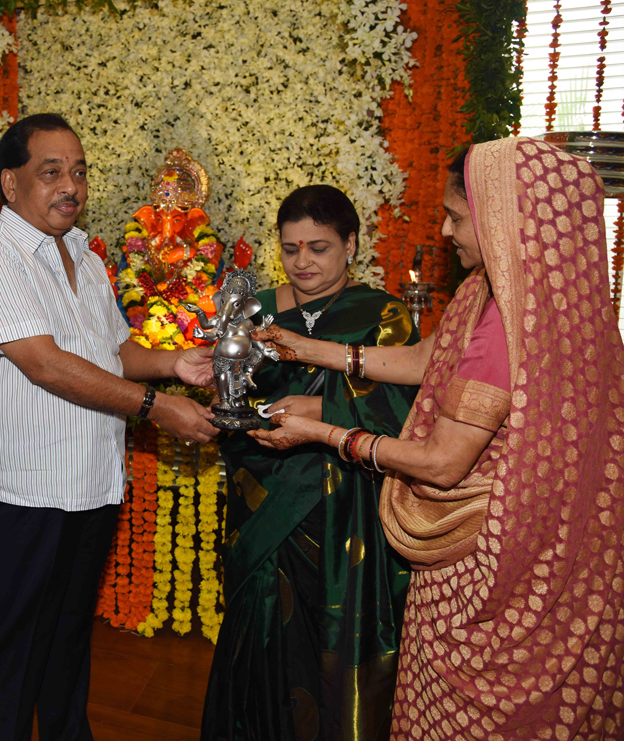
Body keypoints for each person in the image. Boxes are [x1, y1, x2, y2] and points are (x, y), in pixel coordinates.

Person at [248, 138, 624, 740]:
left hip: (494, 559)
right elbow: (430, 359)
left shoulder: (507, 323)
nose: (446, 232)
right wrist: (308, 348)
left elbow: (442, 464)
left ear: (507, 218)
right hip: (558, 544)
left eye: (456, 216)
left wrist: (321, 432)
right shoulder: (526, 295)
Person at [0, 113, 219, 741]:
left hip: (87, 481)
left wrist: (173, 363)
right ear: (8, 184)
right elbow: (45, 363)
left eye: (77, 172)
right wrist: (157, 407)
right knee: (12, 649)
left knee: (68, 639)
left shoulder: (84, 255)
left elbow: (112, 350)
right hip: (19, 486)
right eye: (50, 173)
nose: (69, 186)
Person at [198, 185, 419, 741]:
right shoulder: (256, 310)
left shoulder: (381, 315)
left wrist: (325, 408)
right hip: (263, 497)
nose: (303, 262)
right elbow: (229, 392)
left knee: (327, 630)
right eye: (291, 248)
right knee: (264, 629)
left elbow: (412, 409)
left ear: (350, 245)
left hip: (345, 510)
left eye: (318, 247)